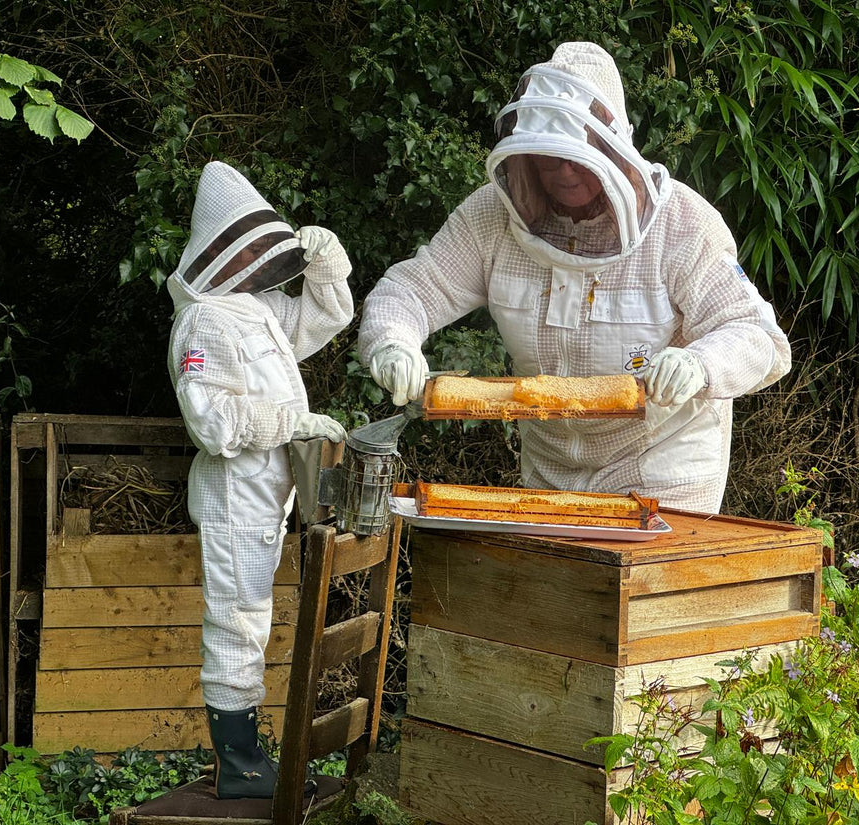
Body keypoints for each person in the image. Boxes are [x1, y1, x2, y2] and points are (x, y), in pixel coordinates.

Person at [357, 42, 791, 513]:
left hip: (664, 472)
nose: (563, 172)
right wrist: (391, 341)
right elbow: (412, 290)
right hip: (549, 471)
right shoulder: (490, 218)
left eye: (578, 155)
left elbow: (758, 336)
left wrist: (701, 364)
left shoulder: (683, 224)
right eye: (548, 156)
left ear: (613, 150)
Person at [166, 161, 353, 798]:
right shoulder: (201, 323)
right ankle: (241, 765)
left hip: (264, 498)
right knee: (237, 621)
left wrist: (327, 269)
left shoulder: (251, 311)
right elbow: (211, 421)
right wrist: (292, 420)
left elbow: (323, 320)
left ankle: (247, 754)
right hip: (233, 497)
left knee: (253, 618)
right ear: (226, 247)